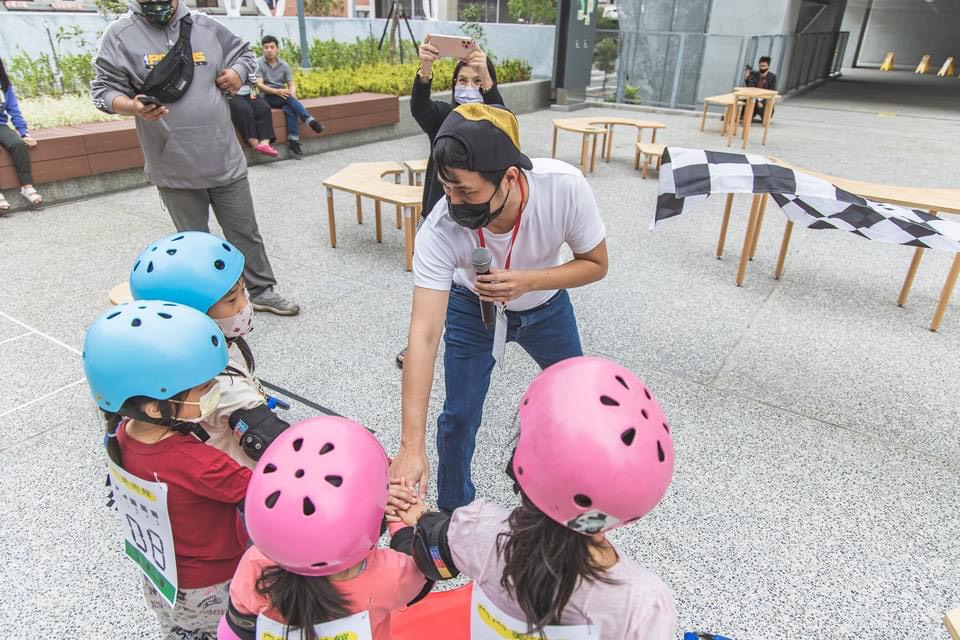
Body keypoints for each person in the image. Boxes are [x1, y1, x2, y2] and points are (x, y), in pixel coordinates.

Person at [389, 103, 608, 513]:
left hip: (547, 305)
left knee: (576, 399)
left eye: (467, 192)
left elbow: (596, 264)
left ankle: (570, 500)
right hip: (472, 310)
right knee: (459, 416)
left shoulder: (564, 187)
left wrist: (528, 281)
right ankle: (454, 515)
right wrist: (410, 446)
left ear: (509, 176)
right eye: (446, 187)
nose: (454, 202)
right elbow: (424, 335)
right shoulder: (440, 228)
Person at [392, 356, 677, 639]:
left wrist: (420, 518)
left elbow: (434, 559)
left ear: (520, 461)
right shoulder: (643, 605)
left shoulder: (478, 528)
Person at [91, 0, 300, 316]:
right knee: (194, 244)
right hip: (173, 165)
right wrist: (131, 106)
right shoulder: (120, 35)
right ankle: (212, 302)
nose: (158, 6)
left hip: (224, 158)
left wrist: (236, 74)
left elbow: (244, 55)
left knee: (245, 232)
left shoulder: (206, 26)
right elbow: (103, 92)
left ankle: (262, 290)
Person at [84, 300, 252, 638]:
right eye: (204, 387)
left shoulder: (121, 434)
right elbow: (266, 493)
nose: (215, 390)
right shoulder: (198, 463)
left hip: (162, 578)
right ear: (153, 407)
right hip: (214, 583)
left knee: (181, 630)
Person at [219, 416, 431, 640]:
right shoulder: (388, 574)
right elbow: (424, 573)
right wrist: (400, 518)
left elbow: (233, 631)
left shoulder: (255, 563)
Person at [129, 231, 290, 468]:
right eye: (231, 300)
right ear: (191, 316)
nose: (244, 305)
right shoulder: (224, 387)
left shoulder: (169, 357)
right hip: (244, 474)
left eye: (243, 291)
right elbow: (288, 451)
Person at [396, 36, 505, 369]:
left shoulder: (493, 122)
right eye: (462, 80)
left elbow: (505, 116)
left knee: (476, 282)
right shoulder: (445, 117)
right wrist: (426, 67)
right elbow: (420, 108)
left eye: (476, 81)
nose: (468, 87)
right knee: (433, 284)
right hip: (439, 214)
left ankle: (483, 333)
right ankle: (421, 342)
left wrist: (486, 77)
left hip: (479, 219)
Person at [256, 35, 323, 157]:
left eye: (272, 47)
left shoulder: (284, 65)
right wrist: (276, 91)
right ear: (262, 49)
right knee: (288, 100)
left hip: (282, 96)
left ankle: (293, 141)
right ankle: (308, 120)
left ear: (277, 49)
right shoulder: (259, 63)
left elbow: (292, 84)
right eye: (266, 47)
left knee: (289, 108)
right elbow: (259, 85)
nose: (269, 50)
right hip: (266, 96)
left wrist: (292, 92)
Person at [0, 56, 43, 212]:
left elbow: (14, 110)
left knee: (18, 144)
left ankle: (27, 187)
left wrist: (24, 133)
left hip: (0, 125)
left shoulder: (4, 85)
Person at [229, 72, 278, 157]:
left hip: (250, 91)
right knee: (245, 110)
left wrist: (254, 81)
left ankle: (265, 144)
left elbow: (255, 77)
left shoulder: (249, 63)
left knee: (264, 108)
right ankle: (255, 144)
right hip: (232, 93)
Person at [745, 56, 777, 121]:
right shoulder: (755, 74)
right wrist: (747, 78)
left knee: (765, 117)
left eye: (764, 66)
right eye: (760, 66)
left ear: (768, 66)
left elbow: (771, 91)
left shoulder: (772, 77)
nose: (762, 68)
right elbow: (750, 88)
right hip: (754, 98)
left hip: (765, 99)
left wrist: (761, 101)